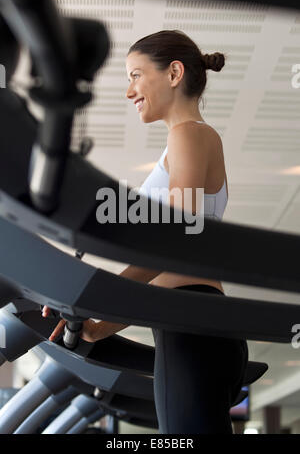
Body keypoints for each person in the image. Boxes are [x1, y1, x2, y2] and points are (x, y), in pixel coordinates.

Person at [43, 29, 248, 434]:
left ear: (173, 73)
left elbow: (170, 244)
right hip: (193, 324)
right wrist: (97, 326)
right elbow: (166, 265)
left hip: (190, 325)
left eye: (136, 75)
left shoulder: (188, 134)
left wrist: (96, 298)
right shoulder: (189, 141)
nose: (129, 91)